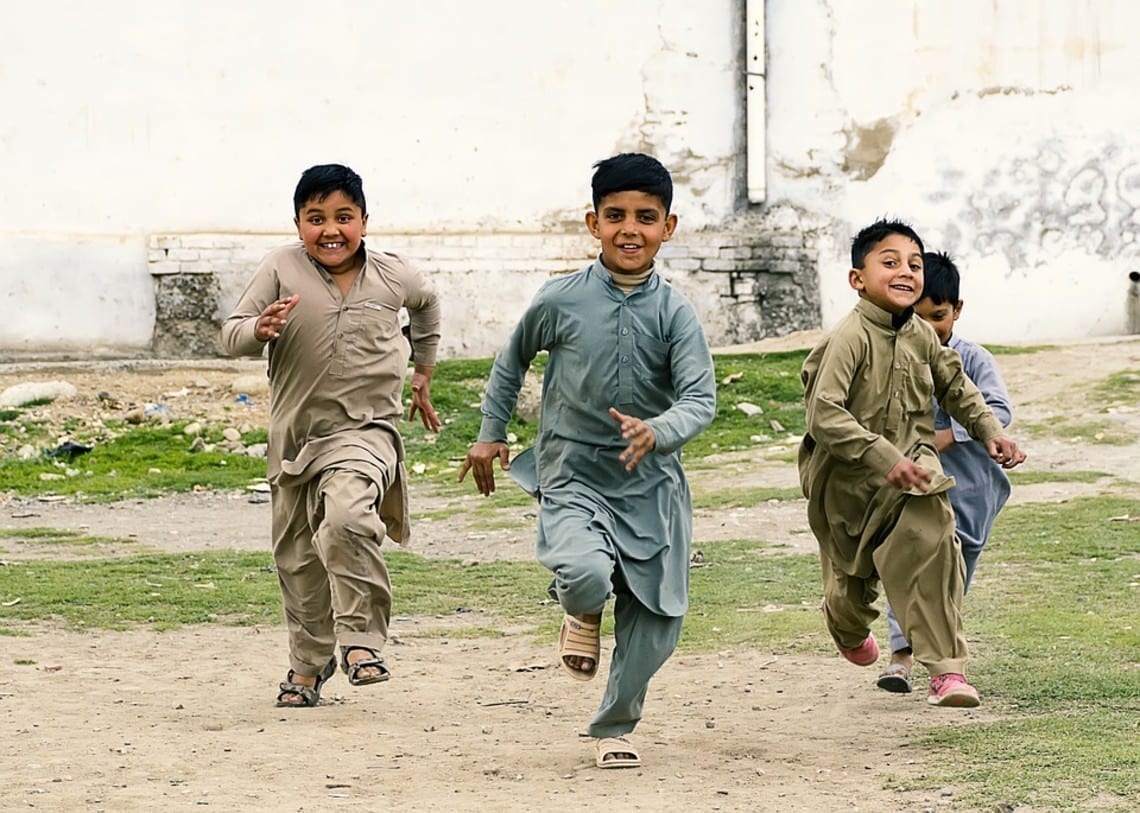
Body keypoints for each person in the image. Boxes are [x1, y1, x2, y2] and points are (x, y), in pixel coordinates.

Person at [458, 153, 716, 768]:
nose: (631, 229)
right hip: (573, 472)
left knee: (656, 620)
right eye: (616, 216)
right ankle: (581, 606)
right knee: (583, 570)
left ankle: (615, 731)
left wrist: (659, 430)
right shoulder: (561, 299)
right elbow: (511, 360)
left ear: (668, 227)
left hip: (649, 483)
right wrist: (491, 433)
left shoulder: (675, 312)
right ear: (592, 222)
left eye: (646, 218)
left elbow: (701, 398)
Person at [220, 163, 442, 707]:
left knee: (346, 519)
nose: (331, 230)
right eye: (316, 218)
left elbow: (428, 303)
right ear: (298, 224)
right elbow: (231, 335)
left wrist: (423, 371)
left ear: (365, 221)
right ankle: (308, 665)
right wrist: (259, 329)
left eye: (344, 217)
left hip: (366, 431)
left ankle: (362, 641)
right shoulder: (280, 268)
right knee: (297, 559)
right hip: (294, 438)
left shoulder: (393, 274)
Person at [797, 219, 1025, 708]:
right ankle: (846, 626)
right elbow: (824, 415)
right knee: (850, 589)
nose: (906, 271)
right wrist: (882, 457)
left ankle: (947, 671)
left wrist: (991, 433)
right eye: (891, 261)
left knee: (936, 539)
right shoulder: (849, 339)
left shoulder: (922, 334)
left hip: (914, 472)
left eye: (914, 264)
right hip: (846, 486)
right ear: (858, 278)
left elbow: (958, 388)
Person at [876, 251, 1016, 693]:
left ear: (957, 311)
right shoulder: (893, 355)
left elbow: (998, 409)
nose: (928, 328)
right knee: (912, 565)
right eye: (917, 317)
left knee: (952, 581)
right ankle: (904, 659)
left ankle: (939, 650)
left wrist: (949, 435)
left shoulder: (973, 359)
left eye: (938, 317)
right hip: (917, 488)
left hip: (972, 491)